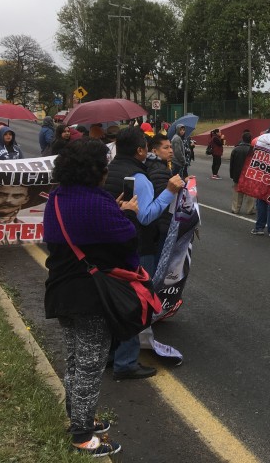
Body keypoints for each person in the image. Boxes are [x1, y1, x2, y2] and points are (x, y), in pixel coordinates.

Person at [43, 138, 138, 457]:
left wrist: (115, 209)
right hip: (91, 295)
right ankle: (82, 435)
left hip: (61, 289)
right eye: (104, 166)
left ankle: (78, 418)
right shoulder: (98, 202)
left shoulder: (56, 197)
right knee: (90, 366)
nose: (107, 171)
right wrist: (127, 213)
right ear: (94, 170)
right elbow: (126, 238)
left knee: (74, 360)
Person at [104, 127, 183, 381]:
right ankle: (126, 362)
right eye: (146, 147)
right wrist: (169, 191)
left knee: (115, 302)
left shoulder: (109, 170)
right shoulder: (139, 178)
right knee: (136, 304)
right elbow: (147, 216)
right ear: (140, 150)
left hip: (111, 244)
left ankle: (112, 354)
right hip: (137, 246)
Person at [229, 131, 256, 215]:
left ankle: (235, 209)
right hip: (249, 175)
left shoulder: (236, 149)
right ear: (250, 139)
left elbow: (232, 164)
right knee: (250, 194)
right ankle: (250, 209)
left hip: (237, 174)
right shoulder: (253, 150)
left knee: (237, 193)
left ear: (242, 139)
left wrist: (232, 175)